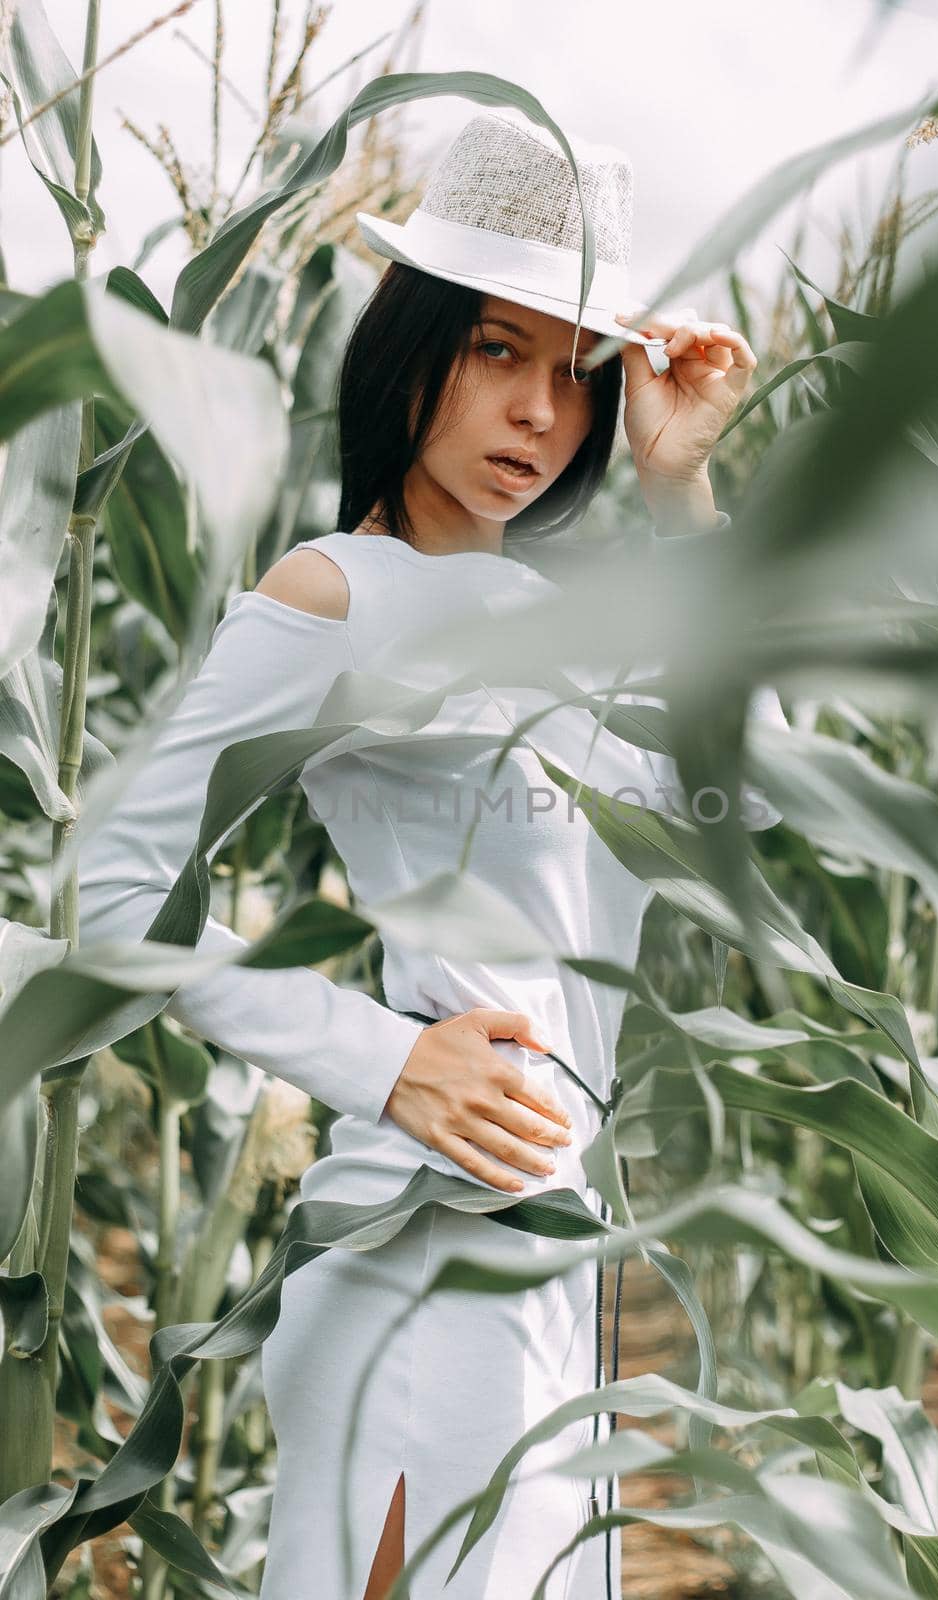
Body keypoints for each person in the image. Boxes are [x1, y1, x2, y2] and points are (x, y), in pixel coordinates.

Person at [77, 107, 782, 1599]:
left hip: (550, 1259)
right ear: (411, 349)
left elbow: (744, 807)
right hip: (425, 1248)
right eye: (495, 351)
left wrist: (684, 493)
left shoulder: (557, 617)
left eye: (574, 372)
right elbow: (113, 894)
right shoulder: (337, 594)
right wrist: (380, 1057)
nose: (539, 413)